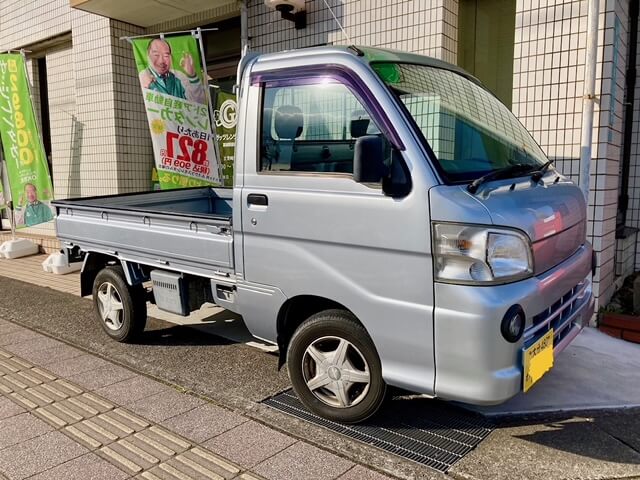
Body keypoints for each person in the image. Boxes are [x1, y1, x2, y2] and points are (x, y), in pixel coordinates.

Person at [139, 38, 206, 104]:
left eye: (166, 55)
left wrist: (192, 75)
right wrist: (146, 89)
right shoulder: (143, 77)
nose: (161, 61)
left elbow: (199, 102)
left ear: (171, 57)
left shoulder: (179, 76)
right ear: (148, 56)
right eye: (156, 55)